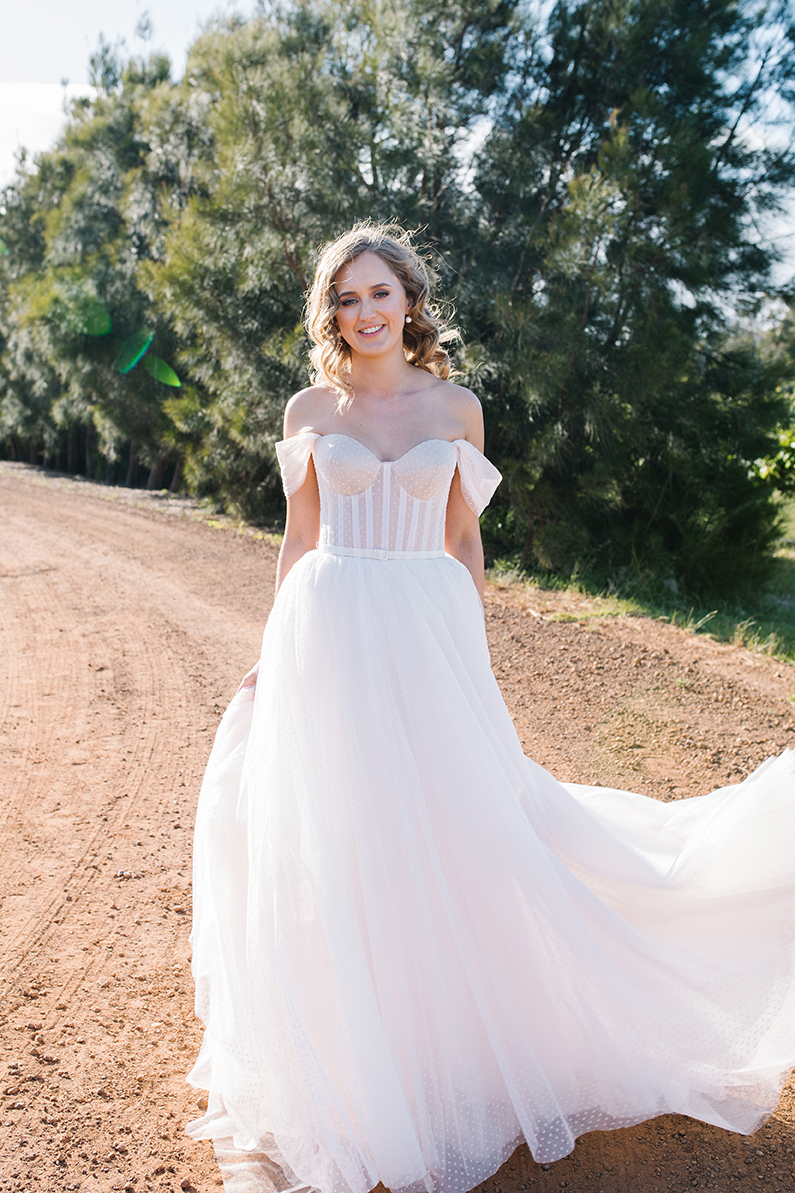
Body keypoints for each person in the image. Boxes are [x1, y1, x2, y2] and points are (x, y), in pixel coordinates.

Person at [186, 223, 795, 1193]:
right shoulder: (311, 406)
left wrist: (468, 651)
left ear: (411, 301)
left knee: (456, 825)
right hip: (329, 627)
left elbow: (464, 542)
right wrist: (269, 658)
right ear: (331, 311)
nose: (366, 312)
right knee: (340, 833)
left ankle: (446, 1053)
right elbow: (298, 539)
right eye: (347, 298)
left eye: (380, 292)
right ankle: (355, 1056)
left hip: (426, 630)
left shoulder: (458, 408)